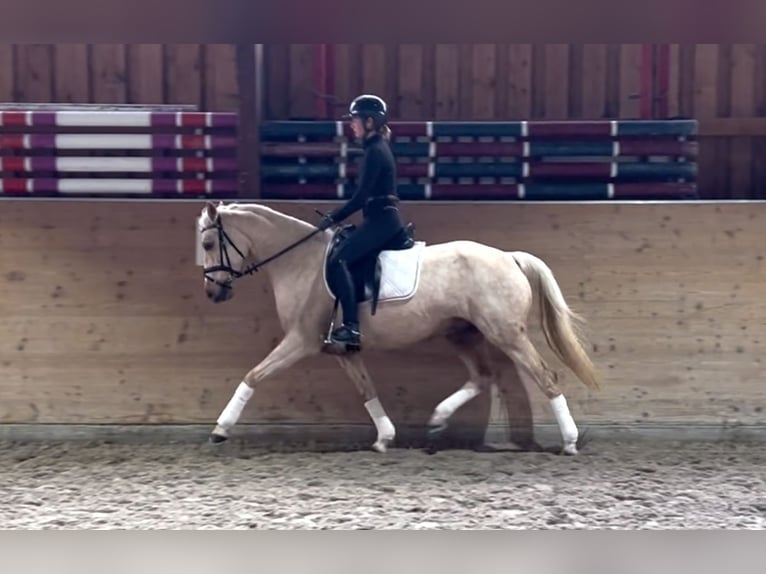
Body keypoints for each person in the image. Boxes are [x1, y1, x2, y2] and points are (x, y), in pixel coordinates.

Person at [317, 94, 407, 349]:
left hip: (382, 222)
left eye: (355, 120)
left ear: (369, 122)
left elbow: (360, 198)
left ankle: (351, 327)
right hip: (381, 219)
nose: (351, 125)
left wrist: (332, 217)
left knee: (339, 259)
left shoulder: (374, 152)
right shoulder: (376, 148)